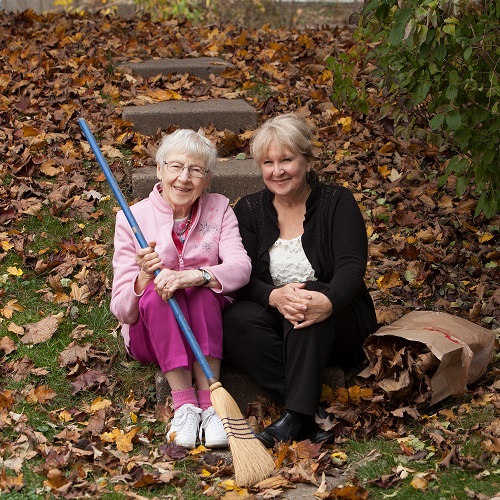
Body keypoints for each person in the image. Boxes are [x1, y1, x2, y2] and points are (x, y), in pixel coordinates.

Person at [222, 114, 378, 447]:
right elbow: (242, 274)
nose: (277, 171)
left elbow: (352, 266)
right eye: (268, 162)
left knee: (310, 293)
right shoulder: (249, 210)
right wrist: (274, 297)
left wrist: (329, 301)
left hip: (340, 321)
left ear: (306, 160)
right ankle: (305, 415)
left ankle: (294, 414)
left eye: (287, 160)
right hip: (282, 322)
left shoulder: (338, 202)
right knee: (233, 318)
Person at [110, 128, 252, 450]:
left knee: (201, 290)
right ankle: (185, 405)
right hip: (152, 336)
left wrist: (194, 275)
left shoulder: (219, 209)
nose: (183, 178)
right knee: (159, 292)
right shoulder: (132, 218)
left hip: (208, 331)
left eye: (195, 170)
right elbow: (120, 308)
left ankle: (211, 405)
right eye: (175, 166)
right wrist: (144, 278)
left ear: (208, 179)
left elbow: (241, 268)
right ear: (159, 170)